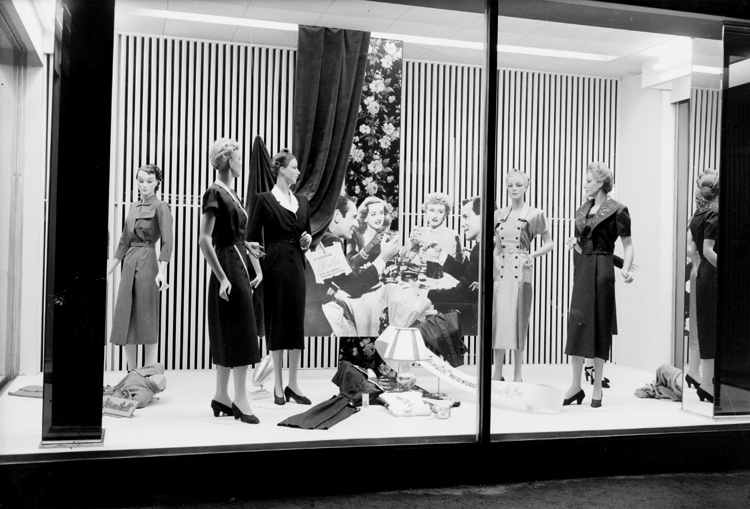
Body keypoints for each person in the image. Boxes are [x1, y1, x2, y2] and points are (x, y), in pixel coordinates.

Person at [199, 138, 264, 424]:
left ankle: (221, 396)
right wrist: (223, 278)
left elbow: (231, 233)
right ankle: (240, 399)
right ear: (227, 160)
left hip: (237, 260)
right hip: (228, 267)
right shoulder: (214, 192)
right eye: (237, 158)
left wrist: (246, 244)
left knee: (231, 330)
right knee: (241, 332)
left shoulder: (231, 193)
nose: (241, 163)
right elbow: (204, 240)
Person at [563, 162, 634, 408]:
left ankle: (596, 387)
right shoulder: (582, 210)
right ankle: (575, 385)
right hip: (583, 269)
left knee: (600, 325)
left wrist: (625, 269)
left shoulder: (618, 210)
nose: (585, 185)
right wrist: (574, 244)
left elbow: (628, 245)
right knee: (578, 323)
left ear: (601, 183)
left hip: (603, 269)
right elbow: (584, 244)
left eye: (589, 181)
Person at [306, 194, 400, 376]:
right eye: (353, 217)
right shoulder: (329, 241)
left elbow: (339, 279)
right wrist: (383, 258)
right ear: (337, 216)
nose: (356, 223)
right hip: (319, 322)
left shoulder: (322, 237)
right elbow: (354, 286)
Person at [248, 149, 313, 406]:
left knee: (296, 323)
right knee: (276, 323)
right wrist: (259, 271)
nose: (298, 172)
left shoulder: (303, 202)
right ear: (281, 169)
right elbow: (250, 240)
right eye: (294, 167)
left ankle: (293, 385)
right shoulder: (264, 200)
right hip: (274, 267)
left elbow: (306, 236)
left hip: (296, 265)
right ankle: (277, 384)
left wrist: (307, 241)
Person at [108, 164, 173, 370]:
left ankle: (148, 373)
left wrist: (162, 272)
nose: (144, 185)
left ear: (157, 183)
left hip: (147, 261)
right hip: (129, 262)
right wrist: (110, 267)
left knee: (146, 316)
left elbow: (168, 242)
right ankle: (132, 372)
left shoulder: (161, 207)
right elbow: (124, 241)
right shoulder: (133, 207)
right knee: (125, 315)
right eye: (141, 180)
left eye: (150, 181)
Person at [492, 170, 554, 382]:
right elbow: (497, 247)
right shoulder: (499, 214)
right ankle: (497, 373)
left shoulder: (535, 214)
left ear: (526, 187)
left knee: (520, 320)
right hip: (501, 271)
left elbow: (549, 243)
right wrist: (495, 262)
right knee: (499, 321)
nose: (514, 189)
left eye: (519, 184)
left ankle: (518, 375)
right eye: (510, 185)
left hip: (521, 270)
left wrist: (532, 255)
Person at [424, 196, 491, 336]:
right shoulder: (481, 247)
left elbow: (462, 294)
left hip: (478, 323)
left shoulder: (483, 249)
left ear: (484, 217)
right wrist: (440, 254)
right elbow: (465, 274)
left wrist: (427, 294)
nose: (462, 224)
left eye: (466, 217)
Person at [688, 169, 719, 403]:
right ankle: (707, 383)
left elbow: (694, 250)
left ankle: (707, 383)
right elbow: (708, 250)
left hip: (702, 273)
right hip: (713, 273)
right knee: (711, 330)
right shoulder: (714, 215)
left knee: (706, 329)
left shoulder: (698, 215)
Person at [401, 192, 463, 272]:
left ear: (445, 215)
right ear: (426, 211)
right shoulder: (419, 233)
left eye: (440, 211)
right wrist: (410, 243)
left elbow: (458, 270)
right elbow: (404, 262)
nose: (435, 216)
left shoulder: (453, 236)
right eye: (431, 210)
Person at [346, 196, 393, 271]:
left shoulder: (386, 237)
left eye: (381, 213)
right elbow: (351, 263)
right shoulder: (354, 235)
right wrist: (372, 244)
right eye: (373, 214)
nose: (378, 218)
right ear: (365, 217)